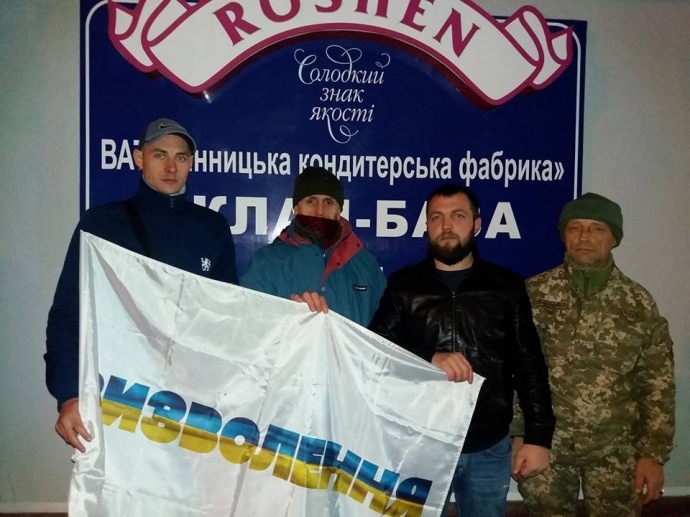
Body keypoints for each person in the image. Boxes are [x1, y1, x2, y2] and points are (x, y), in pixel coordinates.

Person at [45, 118, 238, 452]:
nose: (171, 167)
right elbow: (69, 314)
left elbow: (229, 319)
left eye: (180, 157)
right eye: (160, 155)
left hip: (190, 402)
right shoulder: (102, 224)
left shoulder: (212, 227)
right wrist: (69, 395)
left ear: (191, 163)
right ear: (139, 158)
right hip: (118, 397)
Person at [368, 184, 555, 517]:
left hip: (488, 445)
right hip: (421, 444)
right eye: (436, 217)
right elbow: (376, 350)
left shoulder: (505, 286)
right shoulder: (404, 285)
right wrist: (428, 357)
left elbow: (529, 364)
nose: (446, 225)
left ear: (476, 224)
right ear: (427, 225)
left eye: (457, 216)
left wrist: (538, 437)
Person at [513, 192, 675, 516]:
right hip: (548, 446)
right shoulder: (534, 293)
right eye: (575, 227)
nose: (584, 237)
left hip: (616, 451)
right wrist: (519, 434)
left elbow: (657, 382)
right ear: (565, 235)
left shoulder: (638, 303)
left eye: (597, 228)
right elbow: (517, 369)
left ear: (614, 238)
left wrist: (653, 455)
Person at [240, 165, 386, 327]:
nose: (320, 211)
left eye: (328, 202)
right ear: (296, 208)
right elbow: (248, 326)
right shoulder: (266, 262)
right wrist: (288, 317)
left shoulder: (365, 264)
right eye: (311, 201)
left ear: (338, 210)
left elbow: (385, 333)